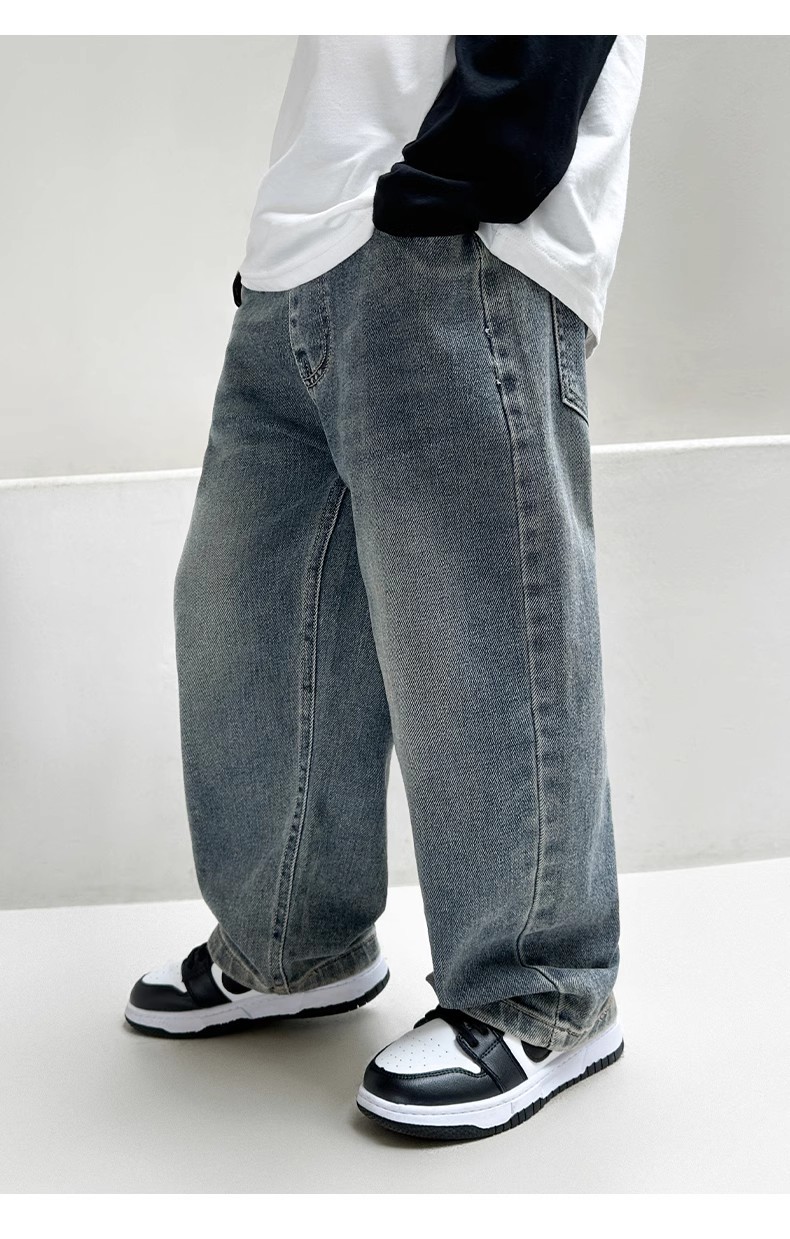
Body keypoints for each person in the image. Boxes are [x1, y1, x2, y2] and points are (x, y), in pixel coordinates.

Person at [125, 34, 646, 1142]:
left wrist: (473, 167)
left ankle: (540, 990)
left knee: (475, 627)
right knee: (243, 612)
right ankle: (291, 941)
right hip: (297, 251)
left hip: (461, 236)